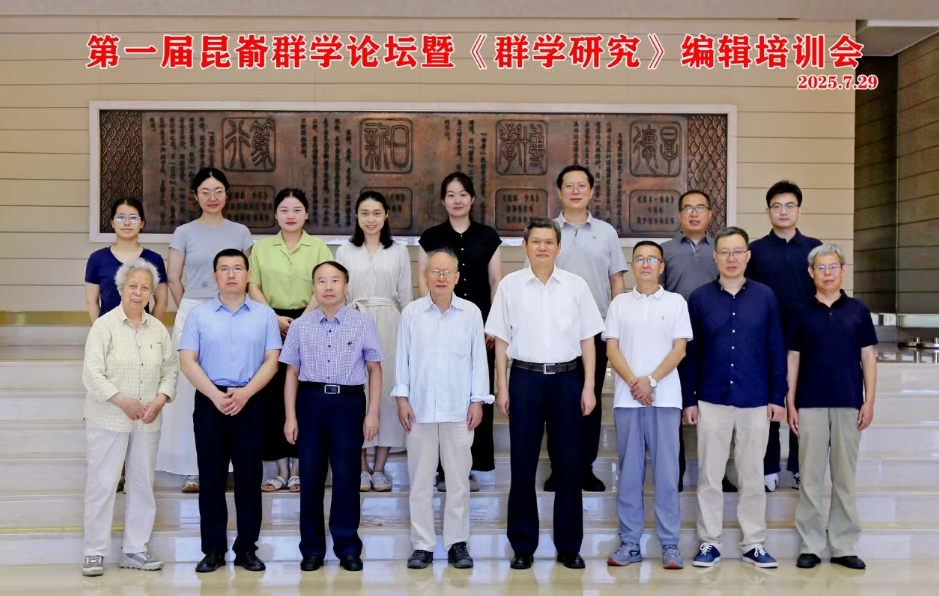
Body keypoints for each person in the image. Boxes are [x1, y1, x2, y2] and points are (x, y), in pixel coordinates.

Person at [486, 217, 605, 570]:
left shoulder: (576, 286)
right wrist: (502, 386)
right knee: (522, 464)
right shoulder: (510, 286)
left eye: (549, 242)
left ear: (558, 247)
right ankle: (523, 546)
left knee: (569, 465)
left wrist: (589, 386)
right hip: (525, 379)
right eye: (536, 241)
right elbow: (501, 341)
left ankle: (569, 546)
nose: (542, 247)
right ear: (525, 246)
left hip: (567, 380)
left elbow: (588, 340)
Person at [682, 227, 787, 569]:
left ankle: (753, 543)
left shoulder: (765, 297)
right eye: (725, 252)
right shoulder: (699, 298)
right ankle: (709, 542)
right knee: (709, 476)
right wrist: (689, 399)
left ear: (748, 256)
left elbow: (775, 349)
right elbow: (691, 354)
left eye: (737, 251)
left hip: (755, 398)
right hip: (711, 398)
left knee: (752, 476)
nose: (731, 258)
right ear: (715, 257)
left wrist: (777, 396)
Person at [178, 249, 281, 573]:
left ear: (248, 275)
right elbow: (187, 360)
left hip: (252, 401)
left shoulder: (264, 315)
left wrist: (245, 394)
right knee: (211, 479)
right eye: (224, 269)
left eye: (238, 268)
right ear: (215, 277)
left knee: (249, 479)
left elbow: (272, 361)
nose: (231, 274)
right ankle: (213, 550)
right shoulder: (199, 315)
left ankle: (247, 549)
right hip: (211, 402)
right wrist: (216, 395)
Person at [157, 168, 255, 494]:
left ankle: (229, 466)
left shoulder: (240, 232)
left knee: (231, 383)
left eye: (218, 191)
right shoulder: (183, 232)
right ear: (195, 196)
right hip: (195, 311)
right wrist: (194, 311)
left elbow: (247, 278)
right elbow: (173, 277)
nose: (212, 197)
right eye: (205, 192)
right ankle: (192, 468)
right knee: (191, 393)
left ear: (227, 194)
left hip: (234, 312)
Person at [281, 261, 383, 573]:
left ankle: (348, 548)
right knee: (310, 478)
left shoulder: (362, 323)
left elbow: (375, 369)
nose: (328, 286)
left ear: (345, 286)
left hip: (348, 404)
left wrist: (372, 413)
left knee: (347, 478)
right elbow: (291, 373)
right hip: (310, 403)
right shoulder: (300, 326)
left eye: (335, 280)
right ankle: (312, 550)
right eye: (321, 281)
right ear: (313, 287)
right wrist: (290, 417)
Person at [395, 248, 493, 570]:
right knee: (420, 482)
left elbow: (479, 360)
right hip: (419, 410)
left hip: (458, 409)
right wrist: (401, 398)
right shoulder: (411, 313)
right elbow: (402, 358)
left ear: (457, 276)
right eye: (434, 272)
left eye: (446, 272)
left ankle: (457, 544)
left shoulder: (471, 313)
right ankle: (422, 545)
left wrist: (478, 399)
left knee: (458, 482)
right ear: (425, 276)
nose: (440, 277)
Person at [80, 259, 177, 577]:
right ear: (121, 289)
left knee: (141, 483)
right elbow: (92, 374)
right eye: (133, 286)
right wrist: (122, 401)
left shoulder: (158, 329)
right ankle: (94, 551)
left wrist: (160, 400)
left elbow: (170, 370)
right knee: (103, 484)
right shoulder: (103, 326)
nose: (138, 292)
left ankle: (135, 549)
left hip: (147, 419)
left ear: (152, 293)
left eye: (145, 287)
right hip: (108, 417)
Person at [787, 244, 876, 571]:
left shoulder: (858, 310)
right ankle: (810, 545)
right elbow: (792, 359)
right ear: (811, 272)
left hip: (848, 402)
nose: (827, 273)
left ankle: (842, 545)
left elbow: (868, 357)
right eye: (821, 268)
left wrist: (869, 400)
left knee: (844, 478)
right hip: (809, 404)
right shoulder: (799, 311)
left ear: (843, 270)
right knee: (809, 478)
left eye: (833, 267)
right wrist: (790, 402)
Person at [539, 164, 627, 493]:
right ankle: (559, 469)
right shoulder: (547, 231)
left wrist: (617, 326)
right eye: (569, 186)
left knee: (590, 399)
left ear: (591, 191)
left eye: (581, 186)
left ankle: (585, 468)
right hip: (554, 332)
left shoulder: (606, 233)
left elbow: (616, 281)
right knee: (556, 403)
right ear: (559, 191)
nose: (575, 191)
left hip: (595, 331)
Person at [604, 241, 690, 570]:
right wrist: (635, 383)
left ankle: (670, 545)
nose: (645, 264)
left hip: (665, 400)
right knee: (629, 475)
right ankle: (629, 542)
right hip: (628, 401)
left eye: (651, 259)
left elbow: (679, 350)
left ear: (661, 266)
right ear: (632, 265)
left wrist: (651, 381)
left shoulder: (676, 302)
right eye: (639, 259)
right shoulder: (620, 303)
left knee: (667, 475)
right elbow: (612, 350)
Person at [418, 172, 502, 493]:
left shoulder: (488, 237)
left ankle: (469, 468)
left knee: (477, 393)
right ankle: (442, 470)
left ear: (472, 199)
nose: (457, 200)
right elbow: (423, 282)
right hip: (439, 325)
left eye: (463, 194)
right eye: (451, 194)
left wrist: (492, 325)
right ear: (443, 200)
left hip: (479, 329)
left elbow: (495, 282)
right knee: (443, 394)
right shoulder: (430, 237)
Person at [248, 188, 333, 494]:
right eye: (284, 210)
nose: (291, 215)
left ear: (306, 214)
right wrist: (274, 318)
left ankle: (299, 468)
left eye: (297, 209)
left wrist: (301, 322)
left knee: (304, 395)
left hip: (310, 320)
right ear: (275, 214)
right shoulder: (262, 248)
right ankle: (280, 469)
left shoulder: (319, 247)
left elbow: (325, 286)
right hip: (269, 321)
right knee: (272, 395)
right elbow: (253, 285)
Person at [747, 181, 822, 492]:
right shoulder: (756, 251)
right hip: (768, 336)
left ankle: (800, 465)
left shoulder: (814, 249)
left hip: (806, 337)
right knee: (770, 401)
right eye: (776, 206)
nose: (783, 211)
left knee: (802, 401)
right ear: (768, 211)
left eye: (789, 206)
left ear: (799, 210)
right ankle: (768, 467)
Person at [336, 191, 412, 492]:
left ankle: (379, 469)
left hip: (390, 323)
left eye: (377, 213)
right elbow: (338, 292)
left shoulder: (398, 251)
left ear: (386, 216)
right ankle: (361, 467)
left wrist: (410, 336)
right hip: (353, 320)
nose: (371, 219)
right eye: (365, 213)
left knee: (387, 392)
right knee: (358, 393)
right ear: (357, 216)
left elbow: (406, 296)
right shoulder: (345, 250)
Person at [661, 190, 735, 493]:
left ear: (710, 214)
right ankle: (674, 473)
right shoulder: (666, 250)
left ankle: (719, 473)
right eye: (688, 208)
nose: (694, 213)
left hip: (715, 340)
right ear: (679, 215)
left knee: (717, 408)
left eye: (700, 208)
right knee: (674, 407)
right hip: (674, 342)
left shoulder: (721, 250)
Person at [85, 198, 168, 322]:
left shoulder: (154, 259)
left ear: (142, 223)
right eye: (120, 218)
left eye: (133, 218)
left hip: (141, 328)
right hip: (108, 328)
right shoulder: (97, 259)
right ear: (112, 222)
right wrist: (100, 329)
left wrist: (150, 328)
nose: (127, 223)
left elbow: (162, 302)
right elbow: (91, 302)